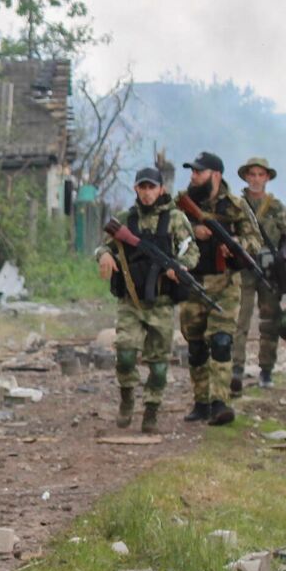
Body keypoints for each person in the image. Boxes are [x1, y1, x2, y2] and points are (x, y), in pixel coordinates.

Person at [97, 167, 195, 433]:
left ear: (161, 189)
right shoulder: (126, 219)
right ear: (136, 190)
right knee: (126, 352)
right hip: (131, 301)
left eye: (152, 187)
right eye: (143, 187)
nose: (148, 192)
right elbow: (104, 244)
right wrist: (104, 255)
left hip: (161, 302)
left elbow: (190, 250)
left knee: (159, 366)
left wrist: (181, 267)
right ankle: (127, 397)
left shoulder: (175, 219)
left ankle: (151, 408)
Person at [177, 152, 262, 426]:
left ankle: (220, 402)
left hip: (225, 282)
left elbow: (255, 240)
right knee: (196, 346)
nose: (193, 177)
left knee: (222, 342)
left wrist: (237, 243)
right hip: (192, 282)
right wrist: (194, 230)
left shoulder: (235, 205)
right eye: (192, 172)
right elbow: (167, 231)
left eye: (198, 172)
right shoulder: (183, 204)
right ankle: (201, 402)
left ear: (215, 174)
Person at [232, 156, 286, 390]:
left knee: (270, 322)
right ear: (246, 176)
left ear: (267, 178)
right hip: (242, 270)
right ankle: (236, 368)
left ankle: (266, 370)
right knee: (239, 320)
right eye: (252, 174)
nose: (256, 179)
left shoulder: (277, 209)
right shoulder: (235, 205)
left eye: (260, 175)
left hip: (269, 273)